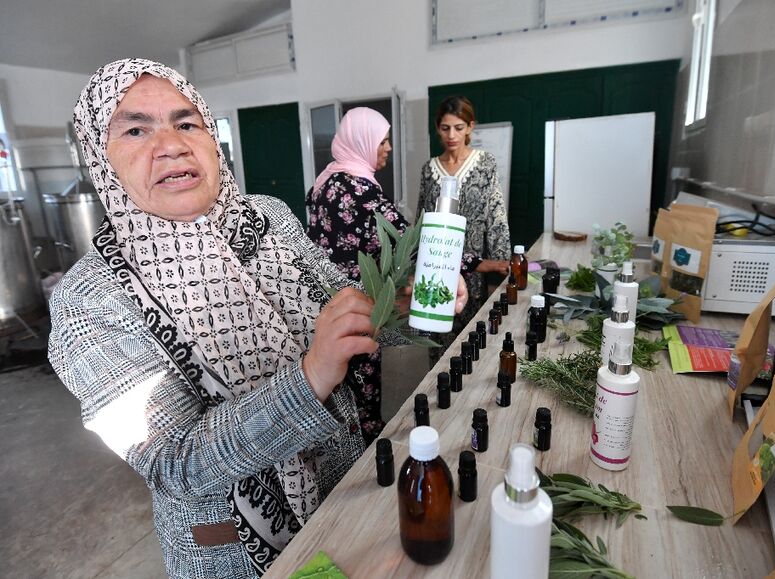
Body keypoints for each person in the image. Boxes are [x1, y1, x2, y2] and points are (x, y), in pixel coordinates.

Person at [47, 59, 466, 579]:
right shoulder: (88, 302)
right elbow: (177, 463)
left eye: (186, 122)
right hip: (239, 553)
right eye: (136, 129)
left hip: (346, 490)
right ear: (99, 156)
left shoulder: (267, 218)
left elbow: (345, 304)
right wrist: (311, 376)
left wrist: (397, 303)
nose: (173, 144)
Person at [305, 107, 408, 444]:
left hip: (326, 302)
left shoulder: (328, 180)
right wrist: (471, 263)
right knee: (361, 381)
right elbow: (406, 238)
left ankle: (346, 446)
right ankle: (365, 456)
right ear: (363, 141)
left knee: (339, 383)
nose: (388, 148)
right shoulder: (358, 187)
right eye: (383, 140)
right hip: (358, 303)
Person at [418, 96, 511, 334]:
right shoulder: (429, 170)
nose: (451, 135)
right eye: (445, 128)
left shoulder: (484, 163)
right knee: (437, 333)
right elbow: (422, 221)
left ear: (470, 127)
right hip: (436, 266)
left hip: (475, 271)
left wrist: (502, 261)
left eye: (458, 128)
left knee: (469, 339)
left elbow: (496, 215)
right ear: (438, 128)